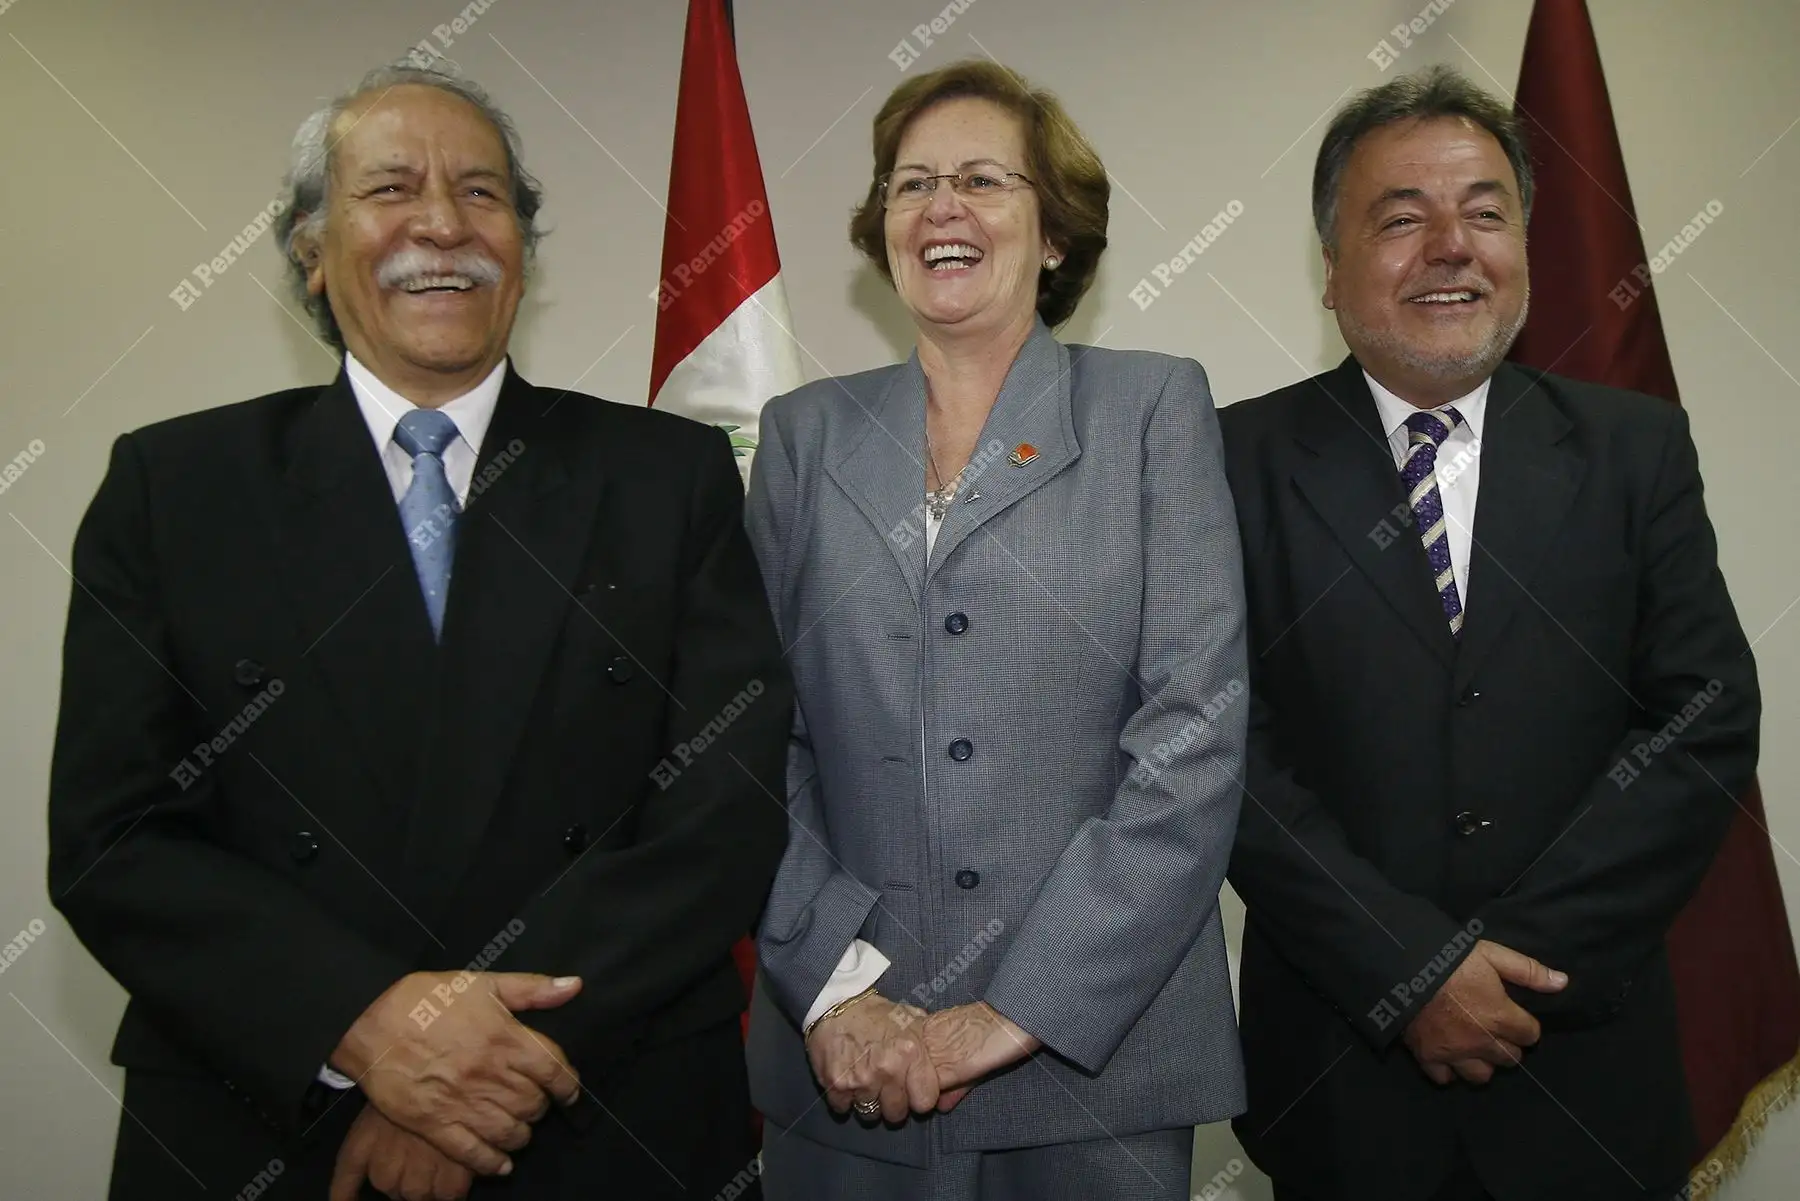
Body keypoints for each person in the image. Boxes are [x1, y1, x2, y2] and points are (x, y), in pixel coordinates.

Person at [46, 63, 789, 1201]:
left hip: (603, 1109)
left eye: (483, 193)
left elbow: (725, 810)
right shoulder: (172, 486)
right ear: (309, 247)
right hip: (269, 1120)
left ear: (523, 251)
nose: (442, 223)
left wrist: (480, 1067)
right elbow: (114, 836)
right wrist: (366, 1032)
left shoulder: (666, 476)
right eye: (390, 188)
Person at [1220, 65, 1760, 1201]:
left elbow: (1703, 719)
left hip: (1585, 1065)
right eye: (1402, 217)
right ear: (1331, 270)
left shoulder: (1634, 450)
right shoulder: (1229, 462)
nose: (1451, 246)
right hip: (1342, 1077)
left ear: (1523, 248)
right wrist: (1409, 971)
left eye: (1484, 212)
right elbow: (1218, 750)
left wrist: (1500, 973)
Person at [743, 59, 1249, 1199]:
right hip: (848, 1069)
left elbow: (1193, 738)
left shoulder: (1152, 409)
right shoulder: (801, 437)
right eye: (912, 184)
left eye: (983, 179)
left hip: (1093, 1069)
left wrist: (1022, 1006)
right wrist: (834, 989)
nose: (943, 208)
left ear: (1056, 231)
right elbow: (748, 738)